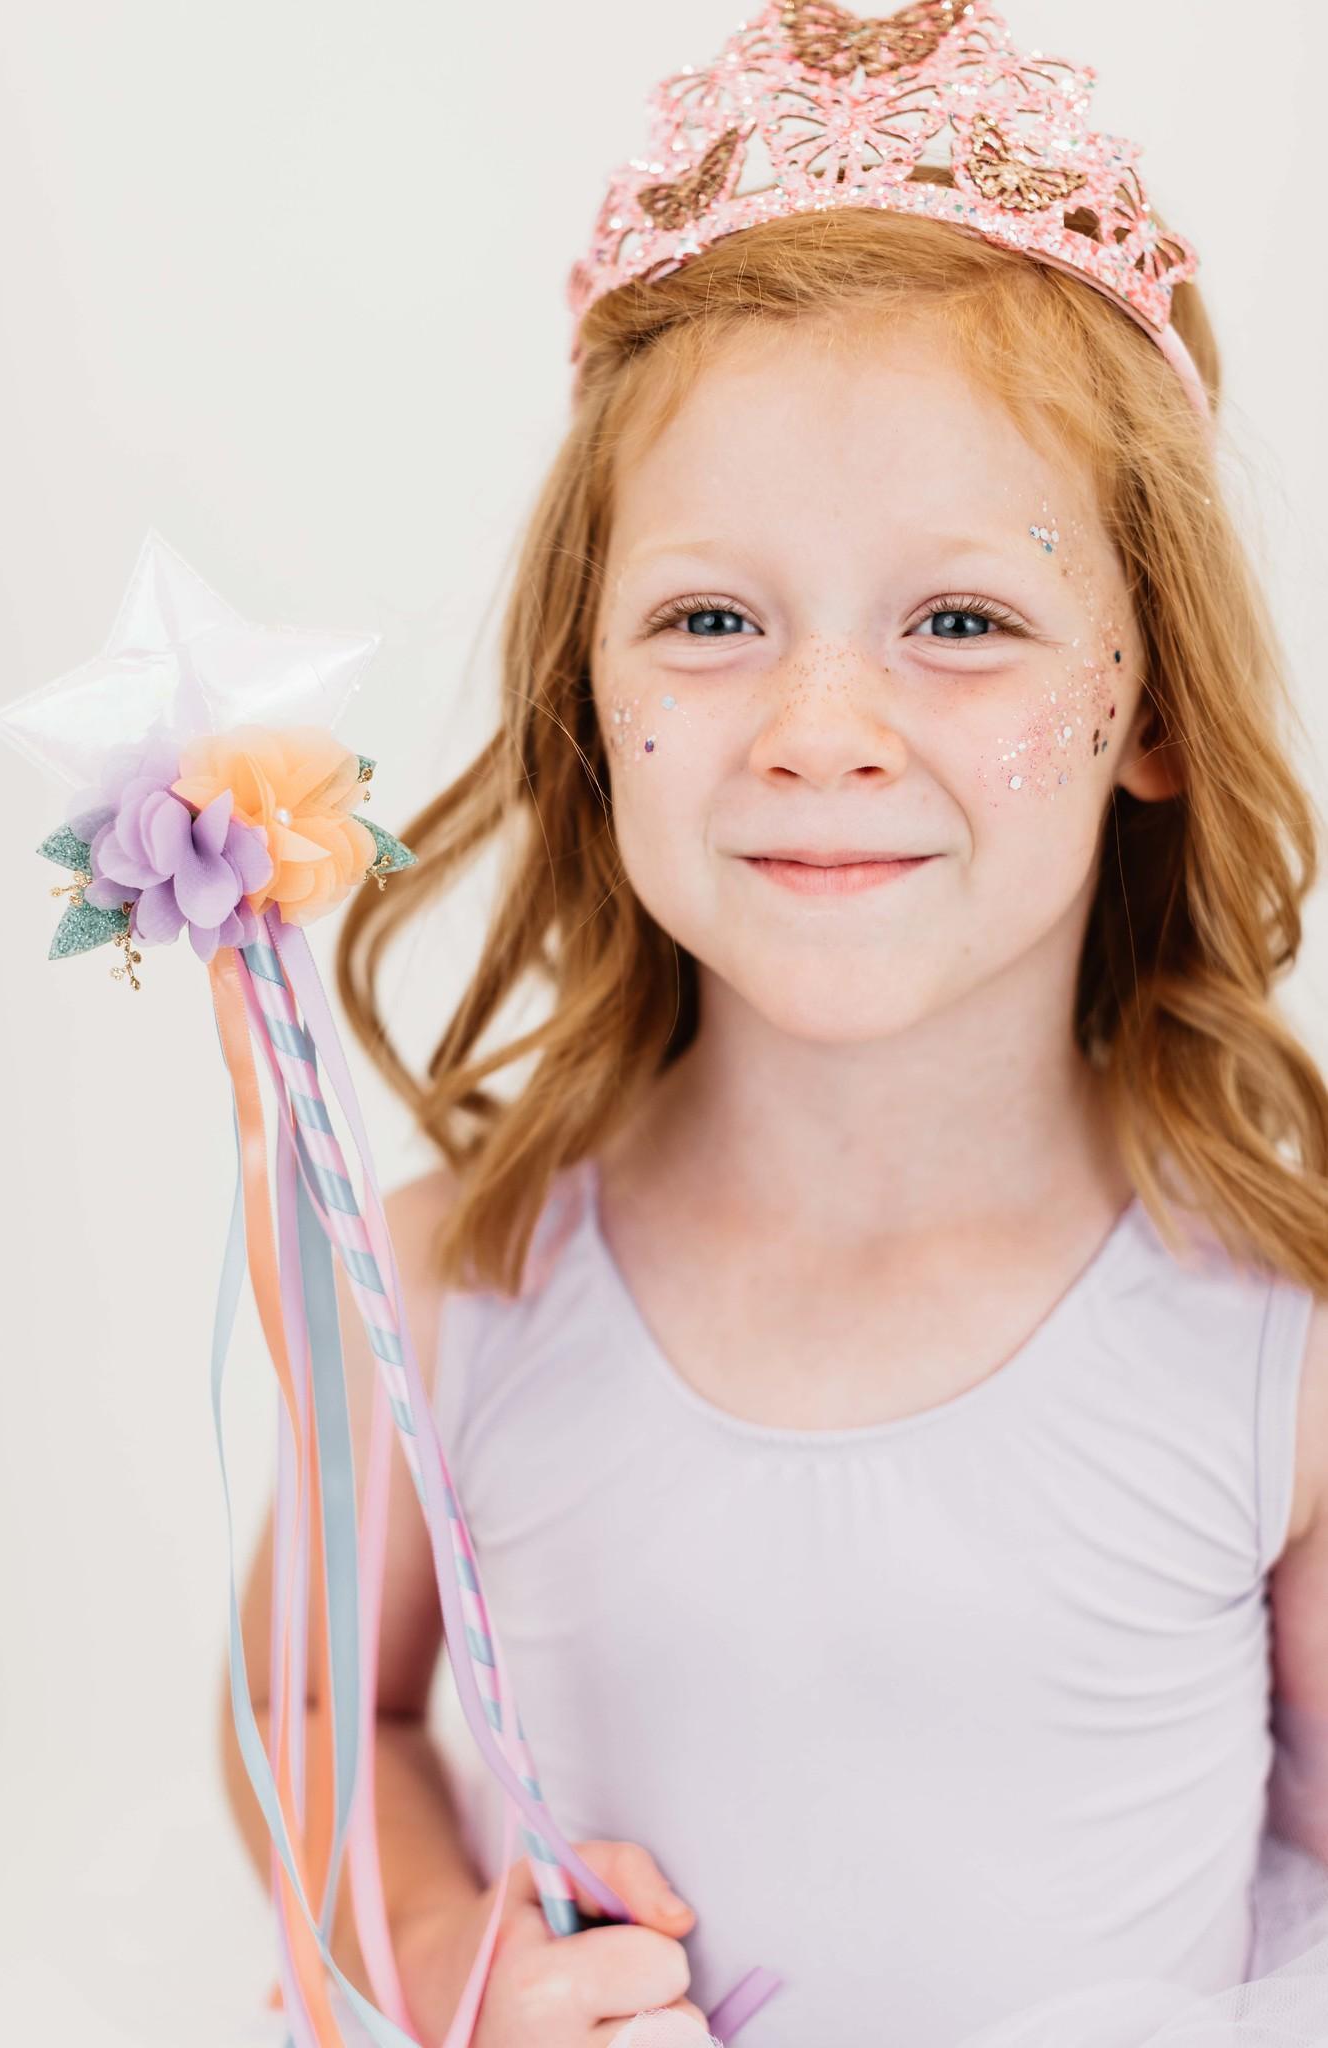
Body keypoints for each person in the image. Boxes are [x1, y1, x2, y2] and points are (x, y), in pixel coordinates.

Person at [220, 4, 1328, 2044]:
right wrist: (449, 1947)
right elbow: (313, 1694)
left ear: (1150, 704)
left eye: (963, 622)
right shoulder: (451, 1281)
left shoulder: (1276, 1334)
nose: (824, 733)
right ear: (584, 694)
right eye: (712, 621)